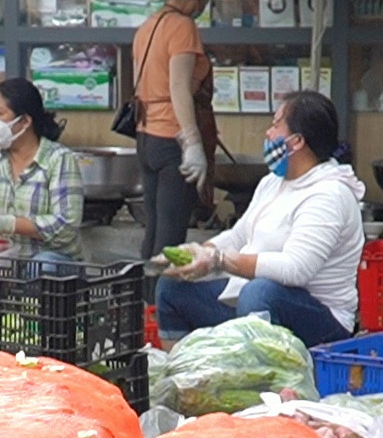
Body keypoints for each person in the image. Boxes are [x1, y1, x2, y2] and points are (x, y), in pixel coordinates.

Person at [155, 92, 361, 350]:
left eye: (276, 125)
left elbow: (296, 269)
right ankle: (185, 368)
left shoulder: (329, 194)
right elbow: (239, 236)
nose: (268, 133)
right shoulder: (272, 183)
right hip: (251, 304)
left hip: (320, 320)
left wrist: (220, 261)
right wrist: (200, 252)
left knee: (259, 292)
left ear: (297, 141)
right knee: (172, 286)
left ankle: (258, 372)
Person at [132, 0, 218, 262]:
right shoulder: (183, 26)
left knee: (154, 231)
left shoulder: (148, 25)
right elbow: (178, 87)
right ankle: (162, 293)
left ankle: (143, 291)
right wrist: (192, 142)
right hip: (172, 140)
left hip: (146, 138)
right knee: (171, 240)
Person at [0, 78, 84, 261]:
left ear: (25, 121)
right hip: (0, 260)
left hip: (50, 262)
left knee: (44, 263)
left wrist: (10, 224)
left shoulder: (59, 159)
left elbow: (66, 226)